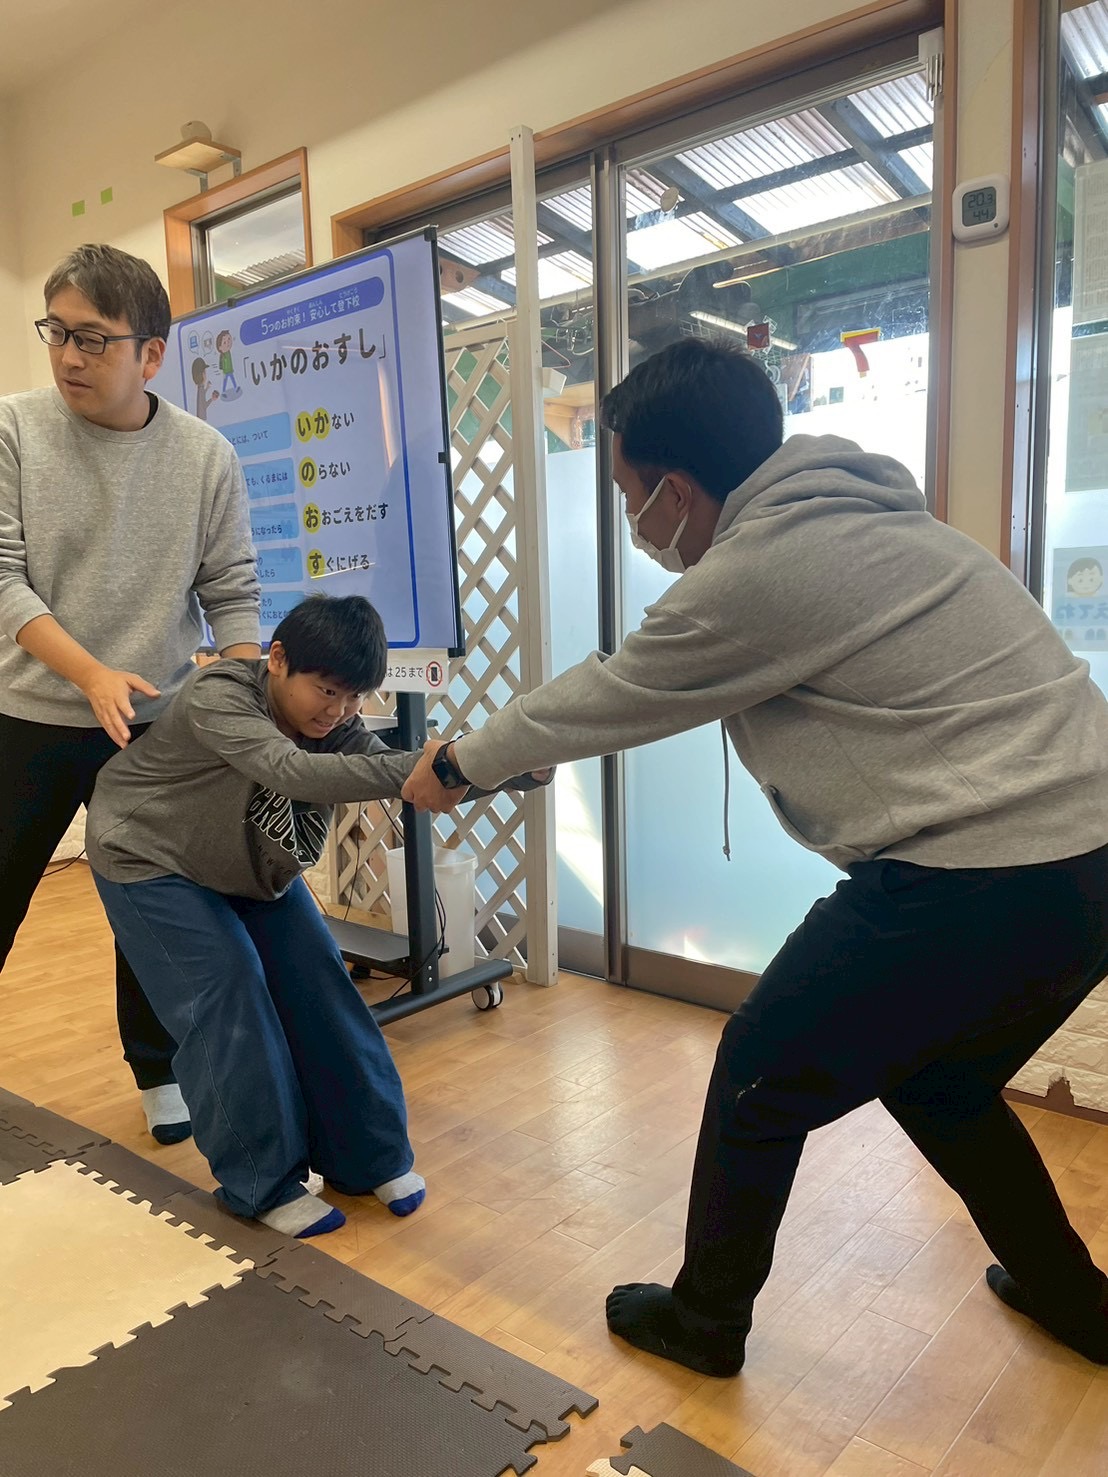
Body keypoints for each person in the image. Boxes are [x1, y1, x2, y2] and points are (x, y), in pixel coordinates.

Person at [402, 338, 1108, 1374]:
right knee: (943, 1084)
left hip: (984, 868)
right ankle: (1076, 1300)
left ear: (678, 492)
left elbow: (614, 688)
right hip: (1087, 862)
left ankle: (704, 1321)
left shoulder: (762, 567)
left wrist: (460, 764)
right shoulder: (867, 521)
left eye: (629, 494)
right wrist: (531, 754)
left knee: (759, 1072)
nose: (632, 517)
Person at [86, 594, 550, 1237]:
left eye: (354, 698)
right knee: (228, 991)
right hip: (149, 857)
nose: (337, 712)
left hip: (249, 868)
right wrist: (447, 761)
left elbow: (397, 769)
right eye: (327, 691)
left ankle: (366, 1158)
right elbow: (294, 772)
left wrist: (505, 767)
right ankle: (262, 1181)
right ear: (277, 659)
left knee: (322, 985)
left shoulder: (334, 725)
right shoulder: (221, 693)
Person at [0, 243, 261, 1145]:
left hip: (155, 726)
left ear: (151, 353)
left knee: (152, 907)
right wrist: (89, 672)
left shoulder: (206, 455)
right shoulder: (14, 429)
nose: (68, 356)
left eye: (93, 339)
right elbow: (2, 580)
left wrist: (242, 688)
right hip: (28, 715)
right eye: (58, 332)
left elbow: (232, 590)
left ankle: (159, 1070)